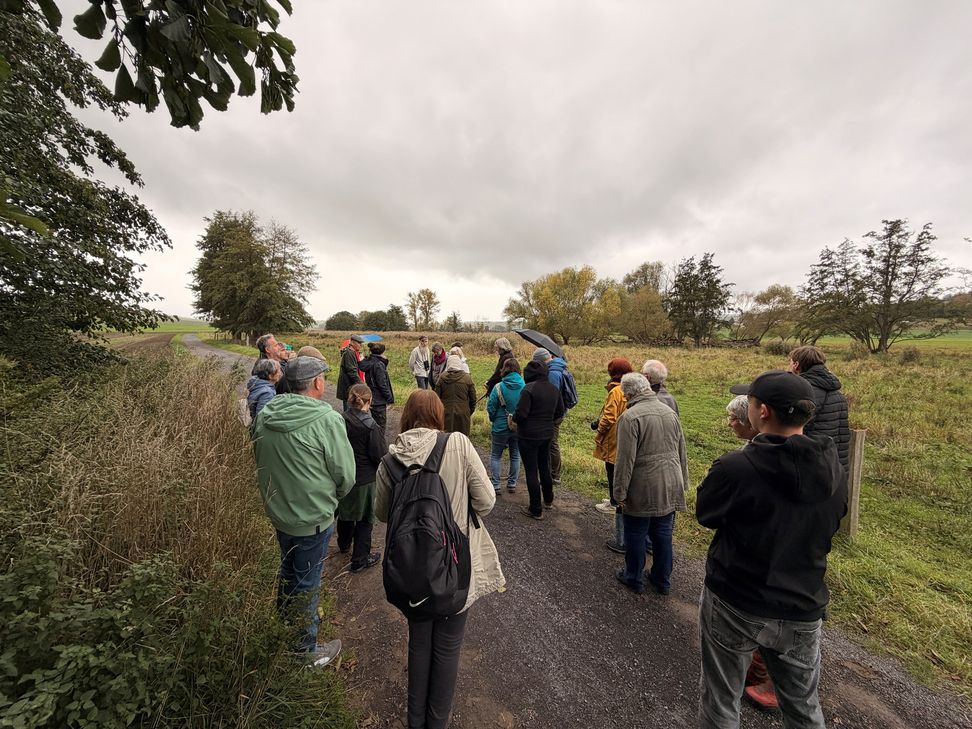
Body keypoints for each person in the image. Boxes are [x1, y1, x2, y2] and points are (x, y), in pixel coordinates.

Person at [697, 370, 847, 728]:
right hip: (803, 602)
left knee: (721, 699)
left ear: (762, 411)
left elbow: (706, 514)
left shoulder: (736, 466)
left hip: (737, 597)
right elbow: (834, 521)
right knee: (803, 708)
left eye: (748, 402)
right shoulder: (834, 471)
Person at [375, 390, 505, 729]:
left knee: (419, 644)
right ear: (438, 414)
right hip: (455, 564)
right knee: (447, 648)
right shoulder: (458, 445)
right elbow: (488, 500)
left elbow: (382, 513)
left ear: (405, 417)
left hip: (410, 568)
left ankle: (414, 721)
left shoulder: (390, 460)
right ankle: (437, 722)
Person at [251, 356, 355, 667]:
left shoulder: (267, 412)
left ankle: (283, 628)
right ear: (318, 383)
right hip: (312, 518)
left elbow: (257, 452)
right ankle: (304, 654)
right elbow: (345, 476)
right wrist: (330, 499)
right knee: (308, 583)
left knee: (288, 571)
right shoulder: (327, 419)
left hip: (279, 512)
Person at [612, 373, 688, 595]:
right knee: (663, 534)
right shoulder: (670, 412)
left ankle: (633, 577)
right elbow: (681, 450)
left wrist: (619, 492)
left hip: (643, 486)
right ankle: (662, 580)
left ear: (629, 393)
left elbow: (625, 460)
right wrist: (682, 481)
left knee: (635, 532)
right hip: (671, 483)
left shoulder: (630, 417)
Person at [337, 384, 384, 573]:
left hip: (344, 475)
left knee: (345, 512)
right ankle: (360, 559)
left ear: (350, 399)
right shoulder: (371, 426)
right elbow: (379, 455)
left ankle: (343, 543)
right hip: (365, 478)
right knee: (365, 519)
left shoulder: (340, 420)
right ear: (369, 401)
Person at [514, 360, 565, 520]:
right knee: (544, 466)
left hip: (528, 435)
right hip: (546, 434)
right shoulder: (554, 389)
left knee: (531, 470)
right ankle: (548, 500)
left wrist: (513, 418)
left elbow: (521, 415)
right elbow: (559, 412)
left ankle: (535, 508)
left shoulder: (528, 389)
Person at [591, 358, 633, 554]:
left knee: (612, 469)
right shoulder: (632, 388)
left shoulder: (616, 391)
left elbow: (608, 418)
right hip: (628, 437)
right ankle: (615, 500)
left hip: (614, 437)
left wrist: (599, 433)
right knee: (620, 470)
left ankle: (615, 502)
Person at [786, 345, 850, 470]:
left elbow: (789, 428)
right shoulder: (838, 393)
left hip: (808, 463)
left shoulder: (802, 392)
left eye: (790, 363)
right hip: (835, 465)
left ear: (796, 365)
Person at [531, 347, 574, 486]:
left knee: (552, 443)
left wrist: (546, 414)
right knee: (550, 442)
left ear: (542, 360)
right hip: (558, 412)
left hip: (554, 414)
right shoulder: (559, 366)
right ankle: (549, 471)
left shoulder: (553, 373)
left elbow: (552, 395)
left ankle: (554, 475)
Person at [486, 357, 525, 494]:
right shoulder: (524, 386)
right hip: (518, 426)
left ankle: (496, 484)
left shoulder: (498, 387)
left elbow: (491, 407)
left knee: (496, 455)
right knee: (515, 455)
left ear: (504, 369)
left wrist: (493, 419)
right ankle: (512, 483)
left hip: (500, 426)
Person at [434, 354, 477, 436]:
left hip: (445, 412)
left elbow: (436, 398)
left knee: (446, 440)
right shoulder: (467, 378)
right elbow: (473, 398)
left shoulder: (442, 378)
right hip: (463, 413)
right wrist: (469, 411)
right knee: (462, 440)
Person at [358, 342, 394, 435]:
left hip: (371, 395)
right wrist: (389, 397)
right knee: (380, 426)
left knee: (374, 423)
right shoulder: (378, 364)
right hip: (379, 399)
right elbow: (382, 384)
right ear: (382, 352)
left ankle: (374, 442)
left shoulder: (369, 361)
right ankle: (379, 446)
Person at [336, 335, 365, 411]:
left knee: (351, 409)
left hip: (351, 386)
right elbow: (352, 372)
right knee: (349, 411)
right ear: (352, 343)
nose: (361, 345)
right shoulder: (349, 354)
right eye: (359, 343)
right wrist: (361, 384)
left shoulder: (353, 353)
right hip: (347, 386)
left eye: (361, 343)